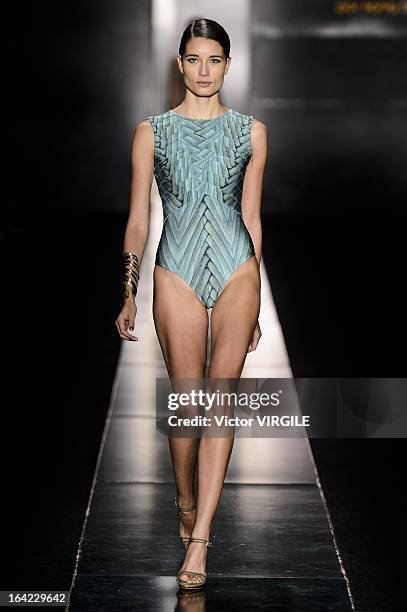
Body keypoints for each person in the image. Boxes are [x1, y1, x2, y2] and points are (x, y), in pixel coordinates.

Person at [115, 17, 267, 590]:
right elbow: (137, 219)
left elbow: (251, 217)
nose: (204, 70)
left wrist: (257, 295)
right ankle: (184, 496)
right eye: (194, 59)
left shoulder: (252, 132)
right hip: (174, 267)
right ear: (179, 63)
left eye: (215, 60)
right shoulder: (150, 132)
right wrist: (128, 292)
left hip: (237, 268)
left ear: (228, 65)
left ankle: (200, 536)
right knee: (187, 399)